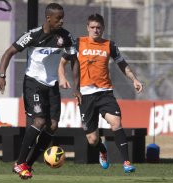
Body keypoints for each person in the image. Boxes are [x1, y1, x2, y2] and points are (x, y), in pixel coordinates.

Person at [0, 3, 81, 180]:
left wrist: (77, 87)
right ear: (48, 18)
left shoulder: (66, 36)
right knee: (40, 120)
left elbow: (74, 60)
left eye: (63, 17)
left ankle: (27, 165)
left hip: (52, 86)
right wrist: (1, 75)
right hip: (33, 83)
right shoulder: (33, 35)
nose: (62, 21)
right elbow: (9, 52)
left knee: (52, 126)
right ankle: (19, 162)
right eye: (58, 18)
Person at [58, 13, 143, 173]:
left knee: (116, 123)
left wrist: (134, 79)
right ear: (87, 28)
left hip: (105, 93)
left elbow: (122, 63)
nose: (95, 30)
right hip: (85, 95)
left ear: (103, 29)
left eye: (98, 28)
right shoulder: (78, 43)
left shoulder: (109, 45)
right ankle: (102, 151)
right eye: (92, 27)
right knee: (92, 139)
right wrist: (62, 77)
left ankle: (126, 162)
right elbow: (62, 62)